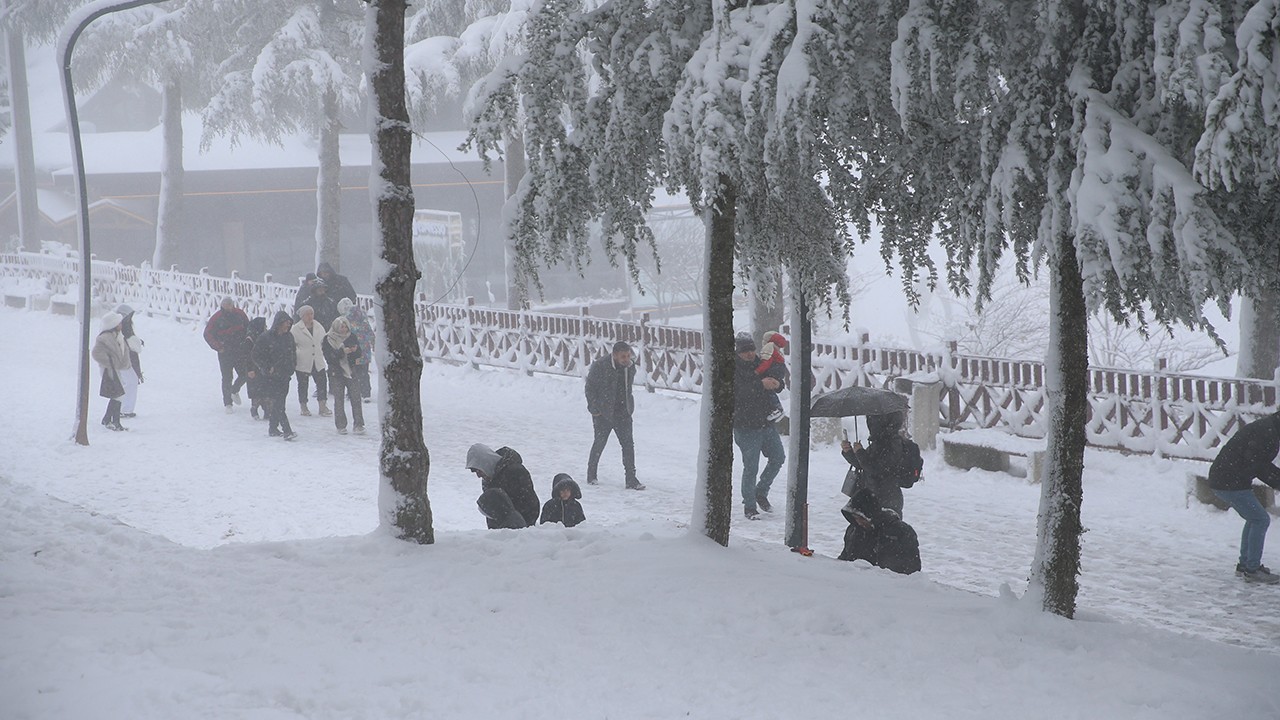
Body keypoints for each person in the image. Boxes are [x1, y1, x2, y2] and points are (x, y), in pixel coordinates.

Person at [1208, 410, 1280, 584]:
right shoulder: (1267, 433)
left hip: (1227, 478)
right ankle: (1252, 569)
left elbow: (1258, 462)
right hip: (1229, 482)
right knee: (1260, 519)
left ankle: (1246, 565)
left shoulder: (1268, 427)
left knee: (1254, 518)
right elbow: (1258, 464)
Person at [733, 333, 784, 519]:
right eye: (745, 351)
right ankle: (749, 506)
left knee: (778, 457)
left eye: (751, 350)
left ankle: (761, 491)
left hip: (766, 422)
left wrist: (777, 384)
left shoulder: (761, 362)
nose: (749, 354)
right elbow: (738, 391)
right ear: (738, 352)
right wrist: (760, 384)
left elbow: (776, 378)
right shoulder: (733, 368)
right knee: (751, 467)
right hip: (745, 425)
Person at [585, 341, 644, 490]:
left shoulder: (630, 367)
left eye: (628, 356)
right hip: (603, 413)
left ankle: (631, 479)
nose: (626, 359)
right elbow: (590, 387)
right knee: (600, 442)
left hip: (623, 412)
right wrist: (594, 408)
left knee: (628, 445)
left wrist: (629, 407)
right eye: (623, 356)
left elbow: (627, 388)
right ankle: (591, 474)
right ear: (615, 355)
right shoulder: (600, 366)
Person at [840, 410, 921, 518]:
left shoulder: (893, 443)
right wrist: (849, 452)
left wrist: (860, 452)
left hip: (886, 498)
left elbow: (878, 469)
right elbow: (863, 465)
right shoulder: (878, 441)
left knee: (883, 531)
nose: (870, 424)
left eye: (872, 420)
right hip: (872, 495)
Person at [837, 488, 921, 575]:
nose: (859, 522)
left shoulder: (900, 533)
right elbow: (844, 560)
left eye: (861, 518)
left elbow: (913, 572)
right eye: (855, 518)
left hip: (889, 584)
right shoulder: (853, 531)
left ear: (871, 514)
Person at [466, 443, 540, 529]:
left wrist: (521, 526)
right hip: (502, 533)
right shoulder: (487, 482)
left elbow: (531, 504)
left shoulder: (515, 472)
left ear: (485, 463)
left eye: (478, 470)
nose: (478, 476)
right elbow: (492, 512)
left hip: (522, 529)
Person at [253, 310, 298, 440]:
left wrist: (292, 367)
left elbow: (292, 353)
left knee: (280, 402)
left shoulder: (289, 337)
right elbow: (256, 355)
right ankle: (287, 429)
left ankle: (273, 428)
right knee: (278, 404)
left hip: (285, 375)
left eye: (289, 323)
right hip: (271, 377)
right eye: (285, 323)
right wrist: (267, 368)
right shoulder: (265, 338)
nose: (287, 326)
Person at [203, 297, 251, 412]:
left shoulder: (240, 314)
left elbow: (248, 328)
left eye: (231, 305)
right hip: (225, 352)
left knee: (245, 374)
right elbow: (208, 334)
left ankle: (234, 390)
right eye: (227, 305)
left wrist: (247, 342)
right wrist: (218, 347)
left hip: (240, 351)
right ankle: (228, 403)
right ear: (222, 306)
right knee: (227, 377)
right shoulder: (216, 318)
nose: (229, 307)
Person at [322, 316, 365, 435]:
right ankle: (341, 425)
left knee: (356, 398)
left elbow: (359, 353)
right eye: (342, 326)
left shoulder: (351, 336)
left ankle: (359, 424)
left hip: (351, 371)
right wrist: (342, 352)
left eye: (346, 326)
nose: (344, 329)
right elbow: (329, 357)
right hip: (336, 373)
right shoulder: (328, 339)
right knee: (339, 399)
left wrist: (354, 351)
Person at [91, 311, 130, 431]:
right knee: (118, 394)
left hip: (114, 369)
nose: (121, 325)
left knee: (117, 394)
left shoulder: (117, 336)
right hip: (109, 371)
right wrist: (110, 362)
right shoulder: (105, 338)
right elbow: (96, 353)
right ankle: (115, 421)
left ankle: (108, 419)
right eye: (119, 323)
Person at [291, 305, 331, 417]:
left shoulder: (318, 326)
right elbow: (292, 345)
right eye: (307, 314)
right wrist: (299, 353)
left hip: (317, 360)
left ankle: (322, 405)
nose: (310, 316)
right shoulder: (296, 329)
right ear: (302, 316)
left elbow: (324, 341)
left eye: (311, 314)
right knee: (303, 384)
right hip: (303, 360)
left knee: (322, 382)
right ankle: (304, 406)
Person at [337, 297, 375, 402]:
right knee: (364, 372)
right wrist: (372, 341)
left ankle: (351, 392)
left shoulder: (345, 320)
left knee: (352, 372)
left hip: (352, 350)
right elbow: (369, 331)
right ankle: (366, 392)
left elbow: (344, 335)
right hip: (365, 349)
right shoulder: (362, 317)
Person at [114, 304, 144, 418]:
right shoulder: (118, 327)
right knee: (129, 382)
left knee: (129, 382)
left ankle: (125, 408)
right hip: (123, 359)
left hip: (127, 358)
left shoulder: (124, 327)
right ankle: (124, 409)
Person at [755, 331, 789, 422]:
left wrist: (757, 371)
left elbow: (766, 362)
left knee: (767, 387)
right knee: (768, 387)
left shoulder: (769, 347)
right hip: (778, 368)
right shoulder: (776, 348)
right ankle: (775, 408)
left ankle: (777, 408)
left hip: (773, 368)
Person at [243, 316, 267, 420]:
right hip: (254, 368)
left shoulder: (265, 336)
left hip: (263, 367)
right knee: (256, 391)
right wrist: (250, 369)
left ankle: (267, 410)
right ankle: (255, 408)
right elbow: (248, 355)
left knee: (266, 390)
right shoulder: (250, 339)